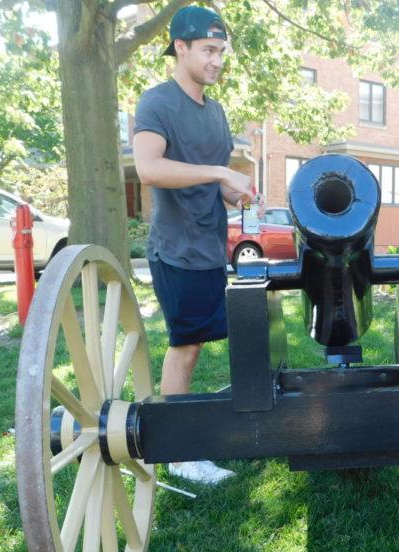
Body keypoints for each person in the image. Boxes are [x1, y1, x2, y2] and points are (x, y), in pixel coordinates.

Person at [132, 5, 263, 484]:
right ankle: (180, 454)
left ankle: (194, 431)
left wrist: (238, 188)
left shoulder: (217, 111)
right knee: (184, 347)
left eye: (221, 51)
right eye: (208, 50)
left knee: (198, 345)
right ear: (180, 48)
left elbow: (217, 184)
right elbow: (149, 169)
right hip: (177, 247)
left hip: (210, 246)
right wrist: (219, 171)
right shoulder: (157, 103)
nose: (216, 61)